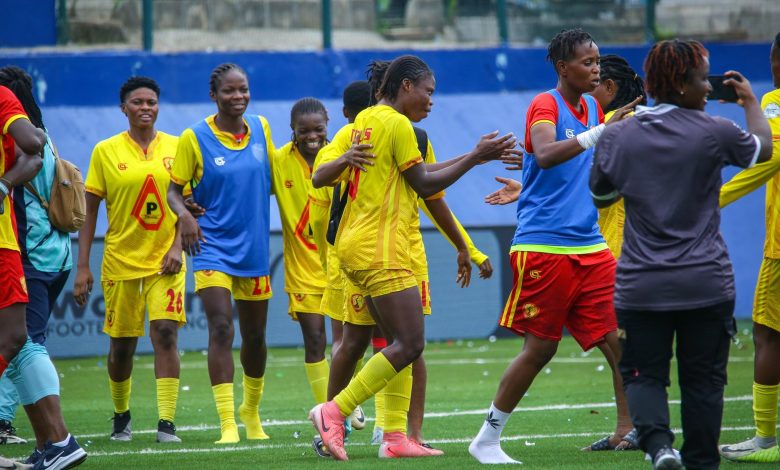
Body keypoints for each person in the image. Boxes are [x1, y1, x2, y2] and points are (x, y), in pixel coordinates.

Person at [308, 54, 518, 461]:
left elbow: (418, 176)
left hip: (358, 245)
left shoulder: (368, 119)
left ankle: (395, 438)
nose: (431, 100)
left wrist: (472, 158)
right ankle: (333, 413)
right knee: (408, 342)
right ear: (406, 86)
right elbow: (424, 183)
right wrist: (475, 157)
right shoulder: (400, 124)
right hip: (381, 248)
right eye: (428, 91)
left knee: (388, 342)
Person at [589, 39, 772, 469]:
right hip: (705, 282)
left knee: (643, 374)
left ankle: (659, 447)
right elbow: (761, 149)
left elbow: (601, 196)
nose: (708, 87)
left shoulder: (619, 134)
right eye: (701, 77)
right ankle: (701, 460)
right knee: (704, 382)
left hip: (641, 283)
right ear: (682, 82)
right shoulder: (716, 131)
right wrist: (748, 104)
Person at [469, 29, 639, 465]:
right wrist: (601, 132)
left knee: (620, 338)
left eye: (598, 61)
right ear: (563, 67)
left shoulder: (592, 107)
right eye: (587, 62)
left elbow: (568, 168)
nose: (596, 68)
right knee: (540, 349)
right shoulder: (546, 104)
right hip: (545, 246)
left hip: (591, 246)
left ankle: (631, 428)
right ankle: (487, 439)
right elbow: (546, 153)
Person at [167, 63, 276, 444]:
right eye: (229, 91)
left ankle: (252, 412)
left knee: (256, 337)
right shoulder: (194, 137)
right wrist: (185, 216)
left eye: (243, 89)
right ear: (214, 95)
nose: (238, 97)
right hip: (211, 245)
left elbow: (277, 183)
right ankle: (228, 423)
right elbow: (172, 190)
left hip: (256, 248)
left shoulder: (262, 129)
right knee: (221, 328)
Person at [74, 76, 185, 444]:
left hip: (166, 262)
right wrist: (84, 265)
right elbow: (89, 212)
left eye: (151, 101)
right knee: (121, 344)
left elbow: (189, 206)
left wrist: (176, 246)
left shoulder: (177, 146)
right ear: (124, 108)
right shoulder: (105, 151)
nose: (145, 108)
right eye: (137, 102)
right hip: (120, 261)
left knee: (165, 334)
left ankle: (166, 423)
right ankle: (121, 416)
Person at [0, 78, 86, 470]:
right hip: (46, 255)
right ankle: (51, 443)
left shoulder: (28, 138)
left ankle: (51, 438)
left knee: (20, 339)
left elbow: (29, 156)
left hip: (29, 253)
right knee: (20, 339)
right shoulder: (44, 135)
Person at [718, 32, 780, 464]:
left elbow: (769, 156)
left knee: (767, 335)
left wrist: (709, 197)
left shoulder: (776, 101)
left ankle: (764, 439)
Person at [271, 97, 332, 406]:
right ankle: (332, 415)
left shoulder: (341, 157)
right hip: (302, 270)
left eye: (318, 129)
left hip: (342, 266)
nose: (311, 136)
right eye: (303, 130)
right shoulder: (277, 160)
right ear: (292, 129)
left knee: (350, 341)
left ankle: (348, 404)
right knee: (315, 339)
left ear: (327, 125)